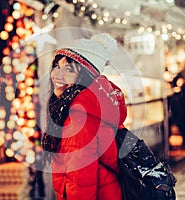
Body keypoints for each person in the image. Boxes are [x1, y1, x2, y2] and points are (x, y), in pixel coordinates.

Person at [41, 33, 127, 199]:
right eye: (57, 66)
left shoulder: (79, 118)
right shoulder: (92, 106)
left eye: (69, 69)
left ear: (85, 77)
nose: (57, 75)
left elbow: (79, 183)